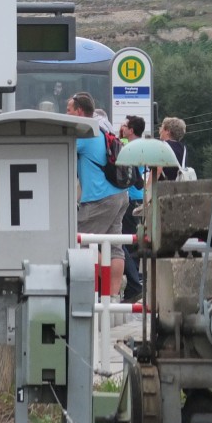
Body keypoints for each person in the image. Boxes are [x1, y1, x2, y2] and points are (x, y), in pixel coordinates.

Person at [66, 91, 126, 295]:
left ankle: (105, 277)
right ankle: (113, 297)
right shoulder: (102, 129)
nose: (66, 114)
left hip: (99, 198)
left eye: (69, 110)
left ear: (79, 111)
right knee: (115, 246)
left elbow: (61, 150)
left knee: (77, 241)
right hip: (120, 195)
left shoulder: (84, 134)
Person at [118, 115, 146, 300]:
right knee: (133, 240)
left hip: (130, 198)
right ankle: (136, 278)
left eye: (125, 126)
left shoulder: (129, 148)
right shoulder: (143, 146)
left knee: (126, 240)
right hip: (140, 198)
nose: (122, 128)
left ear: (131, 130)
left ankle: (134, 283)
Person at [158, 116, 188, 181]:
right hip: (179, 185)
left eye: (162, 127)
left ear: (167, 131)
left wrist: (147, 186)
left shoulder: (162, 146)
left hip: (164, 185)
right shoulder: (183, 148)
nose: (160, 130)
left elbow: (158, 170)